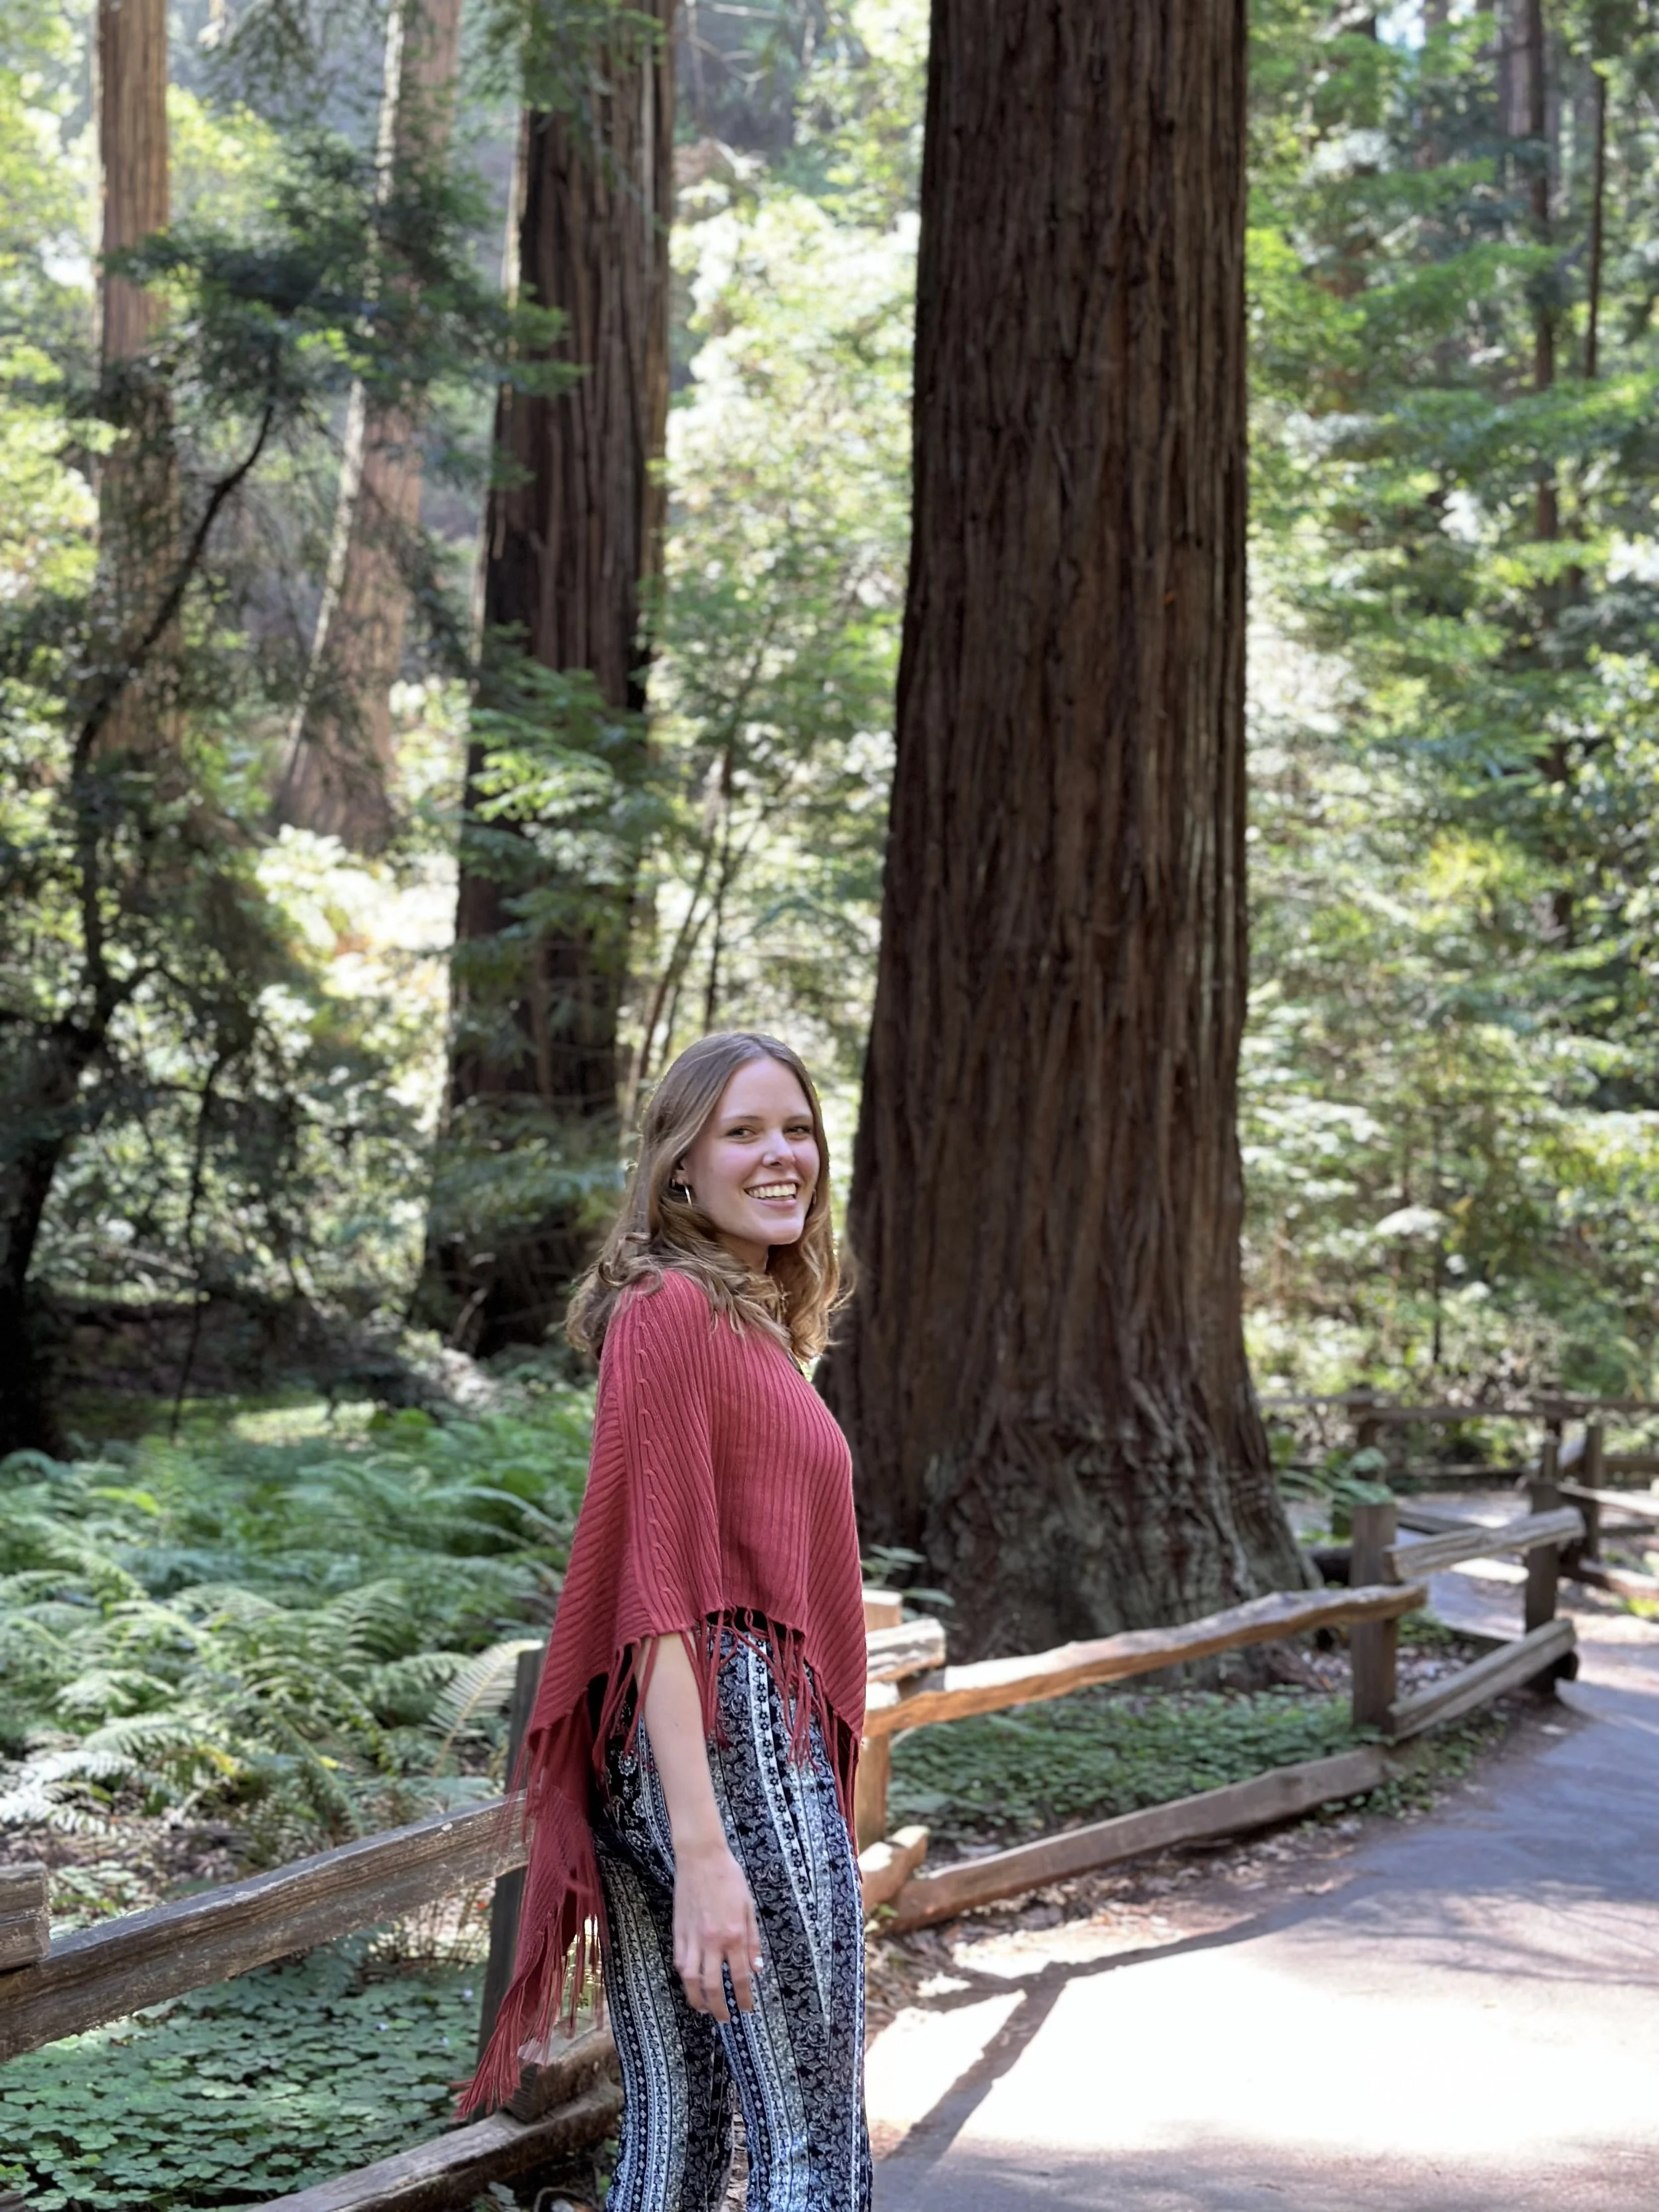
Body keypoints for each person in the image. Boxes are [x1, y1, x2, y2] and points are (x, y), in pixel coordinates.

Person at [464, 1031, 872, 2212]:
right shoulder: (671, 1307)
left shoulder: (746, 1324)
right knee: (810, 2146)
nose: (782, 1153)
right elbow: (658, 1593)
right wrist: (703, 1847)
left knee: (680, 2140)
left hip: (680, 1755)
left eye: (796, 1129)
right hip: (720, 1747)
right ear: (678, 1168)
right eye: (744, 1132)